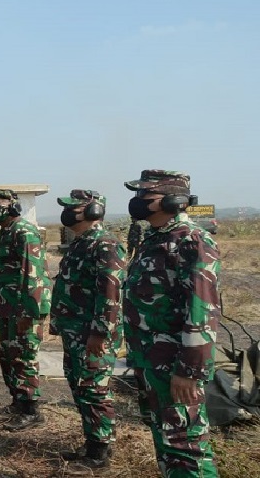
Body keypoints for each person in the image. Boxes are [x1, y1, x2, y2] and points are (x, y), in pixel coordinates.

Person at [123, 170, 221, 477]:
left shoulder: (191, 241)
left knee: (186, 445)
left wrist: (189, 371)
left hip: (176, 365)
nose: (137, 201)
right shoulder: (156, 239)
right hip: (151, 359)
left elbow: (202, 311)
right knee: (167, 439)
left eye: (145, 195)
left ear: (173, 199)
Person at [51, 189, 126, 474]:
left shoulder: (104, 244)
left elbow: (110, 293)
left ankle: (100, 453)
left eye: (75, 208)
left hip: (92, 335)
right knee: (81, 387)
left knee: (95, 390)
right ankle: (93, 442)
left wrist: (100, 334)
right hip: (76, 332)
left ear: (94, 211)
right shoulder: (81, 243)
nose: (69, 213)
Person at [0, 188, 51, 430]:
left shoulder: (23, 231)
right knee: (8, 354)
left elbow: (33, 276)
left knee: (24, 356)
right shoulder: (6, 232)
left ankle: (31, 410)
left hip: (23, 310)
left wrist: (28, 314)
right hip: (8, 308)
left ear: (13, 206)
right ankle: (18, 401)